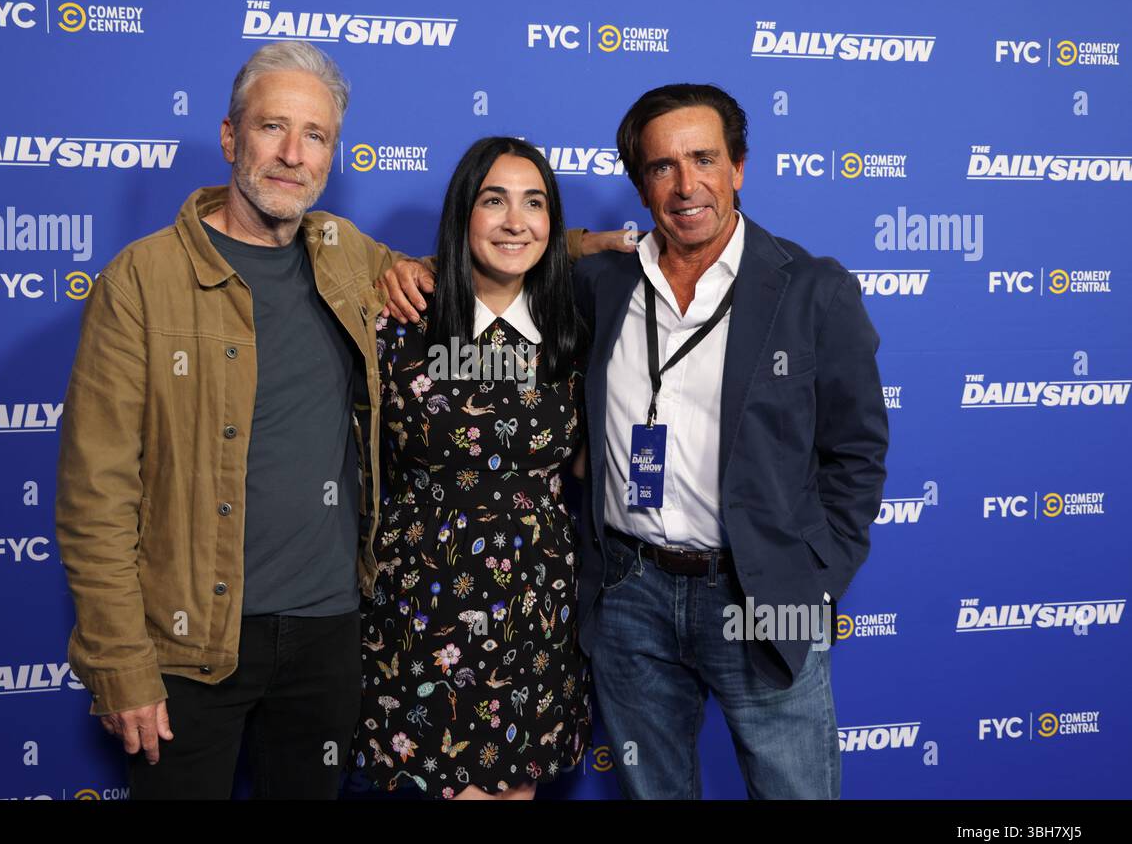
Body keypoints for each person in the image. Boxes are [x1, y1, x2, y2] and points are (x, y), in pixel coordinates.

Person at [380, 84, 888, 799]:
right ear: (640, 183)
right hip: (628, 594)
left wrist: (811, 575)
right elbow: (507, 253)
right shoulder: (597, 284)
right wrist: (418, 267)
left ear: (738, 167)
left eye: (704, 159)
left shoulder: (812, 290)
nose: (686, 185)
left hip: (761, 591)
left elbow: (857, 454)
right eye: (662, 167)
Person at [56, 41, 412, 799]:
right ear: (229, 137)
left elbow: (493, 258)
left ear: (332, 153)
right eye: (272, 128)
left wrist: (606, 248)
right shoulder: (141, 281)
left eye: (314, 136)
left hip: (326, 633)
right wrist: (120, 662)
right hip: (189, 647)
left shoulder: (347, 257)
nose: (292, 154)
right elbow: (96, 494)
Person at [348, 137, 591, 799]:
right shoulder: (399, 321)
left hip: (535, 605)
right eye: (494, 201)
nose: (516, 221)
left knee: (516, 788)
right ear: (463, 212)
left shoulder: (573, 325)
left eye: (534, 203)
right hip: (426, 599)